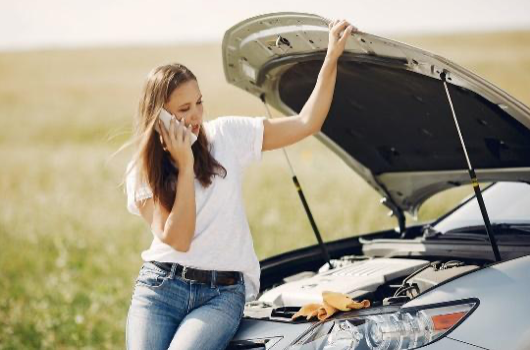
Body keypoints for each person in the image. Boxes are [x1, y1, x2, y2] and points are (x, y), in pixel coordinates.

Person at [125, 19, 355, 350]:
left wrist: (331, 57)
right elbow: (178, 237)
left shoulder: (226, 135)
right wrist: (185, 165)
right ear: (159, 116)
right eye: (183, 109)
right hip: (160, 287)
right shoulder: (143, 168)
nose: (195, 116)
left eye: (198, 103)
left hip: (221, 295)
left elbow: (307, 123)